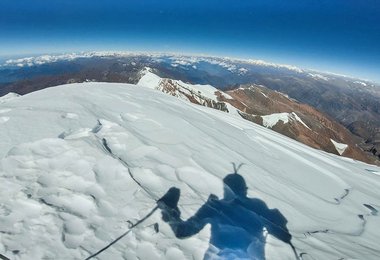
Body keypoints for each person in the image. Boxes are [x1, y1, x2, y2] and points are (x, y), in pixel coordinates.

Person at [157, 173, 292, 260]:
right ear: (244, 190)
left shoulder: (215, 206)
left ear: (225, 190)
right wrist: (277, 219)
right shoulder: (258, 206)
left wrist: (170, 212)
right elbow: (284, 235)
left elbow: (183, 232)